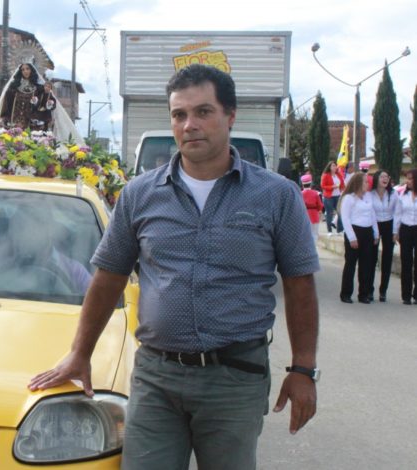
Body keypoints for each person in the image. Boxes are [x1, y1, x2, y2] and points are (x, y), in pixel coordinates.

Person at [28, 64, 320, 470]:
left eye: (203, 112)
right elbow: (109, 277)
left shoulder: (276, 196)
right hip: (157, 379)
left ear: (230, 116)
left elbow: (299, 285)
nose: (190, 125)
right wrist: (80, 353)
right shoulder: (140, 195)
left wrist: (304, 369)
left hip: (234, 379)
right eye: (179, 114)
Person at [338, 172, 378, 304]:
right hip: (354, 231)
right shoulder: (349, 198)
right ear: (358, 183)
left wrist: (375, 233)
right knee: (350, 264)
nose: (368, 184)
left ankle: (364, 294)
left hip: (367, 232)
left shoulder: (368, 197)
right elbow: (345, 218)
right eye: (365, 182)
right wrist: (352, 237)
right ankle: (346, 293)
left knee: (366, 264)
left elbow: (372, 215)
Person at [369, 170, 397, 302]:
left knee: (387, 258)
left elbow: (397, 213)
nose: (385, 179)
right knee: (372, 258)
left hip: (389, 225)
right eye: (383, 176)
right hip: (374, 224)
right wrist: (375, 232)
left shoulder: (393, 193)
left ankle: (383, 291)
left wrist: (395, 231)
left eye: (387, 176)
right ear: (376, 179)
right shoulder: (370, 194)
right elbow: (370, 213)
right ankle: (369, 290)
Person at [396, 168, 417, 305]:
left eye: (410, 179)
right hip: (405, 229)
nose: (408, 181)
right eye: (407, 178)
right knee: (406, 262)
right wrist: (395, 232)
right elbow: (397, 214)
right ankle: (406, 295)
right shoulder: (402, 194)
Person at [321, 161, 345, 234]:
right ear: (329, 167)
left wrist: (343, 189)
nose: (335, 167)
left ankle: (340, 230)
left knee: (340, 212)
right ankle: (329, 231)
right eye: (333, 166)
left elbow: (342, 184)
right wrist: (332, 187)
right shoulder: (325, 175)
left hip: (338, 196)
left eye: (335, 165)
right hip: (328, 197)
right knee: (329, 213)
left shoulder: (338, 175)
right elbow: (323, 186)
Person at [301, 174, 323, 242]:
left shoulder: (300, 193)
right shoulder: (315, 193)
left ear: (302, 184)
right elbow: (320, 206)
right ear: (311, 183)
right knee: (314, 234)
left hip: (304, 216)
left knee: (305, 235)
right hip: (314, 215)